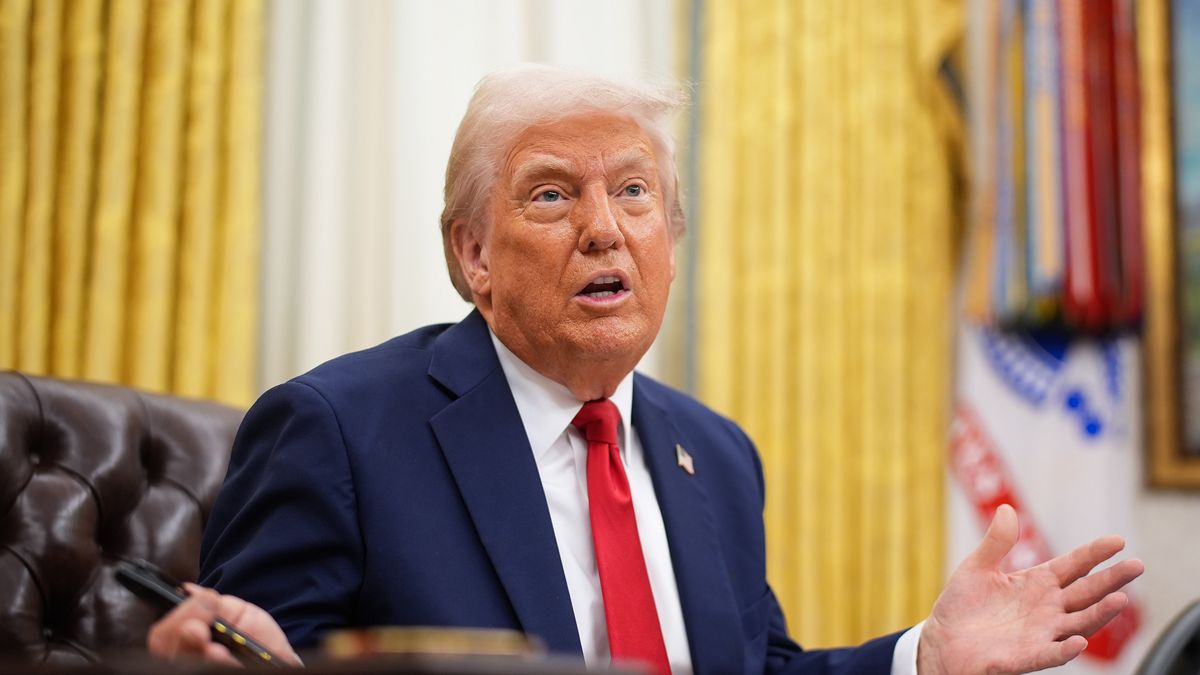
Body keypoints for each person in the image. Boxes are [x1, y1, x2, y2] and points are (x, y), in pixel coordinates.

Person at [147, 65, 1143, 674]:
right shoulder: (339, 430)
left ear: (670, 238)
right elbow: (244, 655)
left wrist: (922, 659)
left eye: (633, 192)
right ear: (472, 256)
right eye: (550, 195)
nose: (602, 230)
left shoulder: (715, 454)